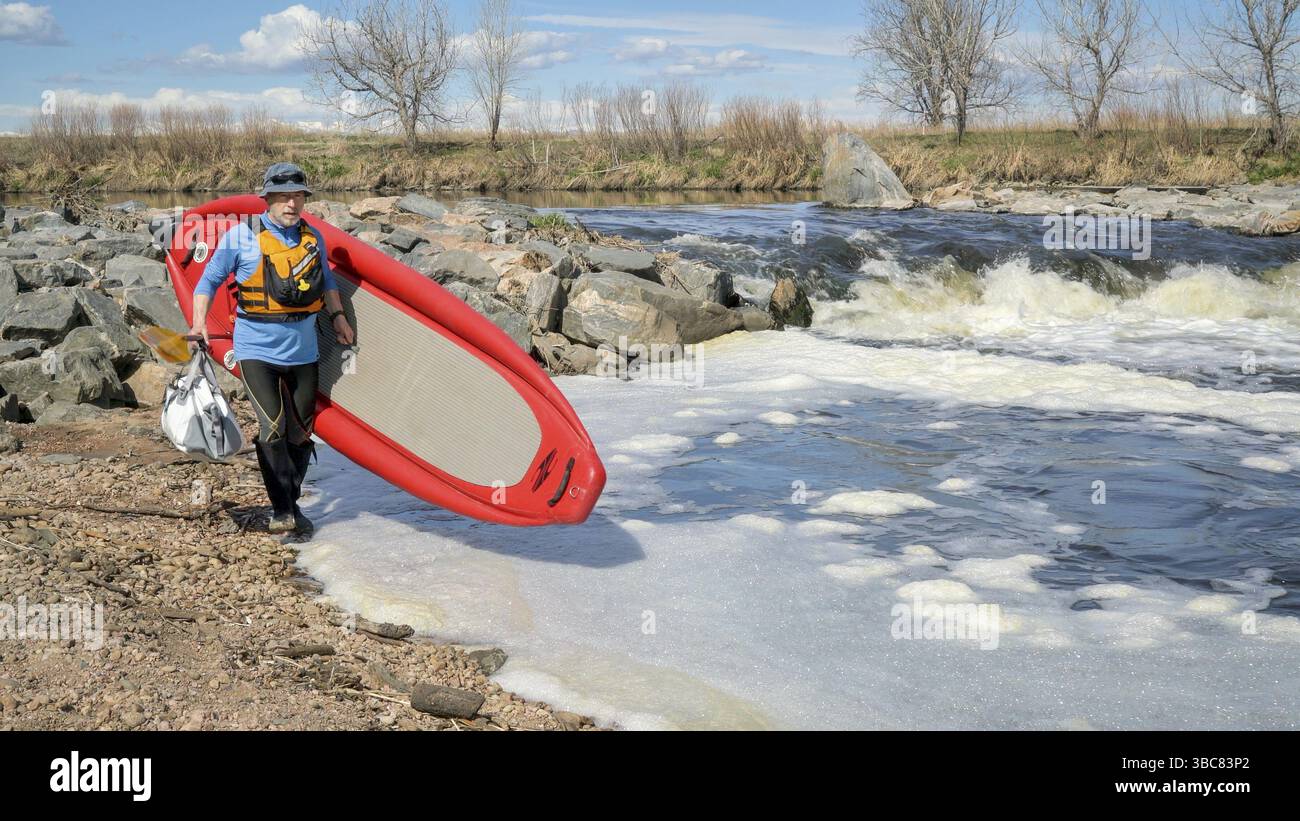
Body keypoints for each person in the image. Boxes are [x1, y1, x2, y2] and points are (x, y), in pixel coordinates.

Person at [189, 162, 355, 534]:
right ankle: (282, 510)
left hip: (304, 351)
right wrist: (199, 323)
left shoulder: (313, 238)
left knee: (301, 433)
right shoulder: (240, 236)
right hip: (256, 350)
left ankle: (291, 501)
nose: (291, 204)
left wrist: (339, 316)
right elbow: (208, 280)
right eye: (283, 197)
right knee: (273, 428)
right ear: (267, 199)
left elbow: (327, 280)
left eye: (297, 196)